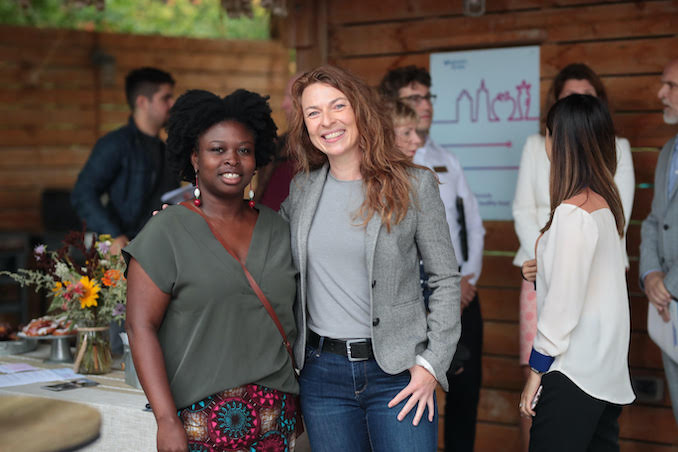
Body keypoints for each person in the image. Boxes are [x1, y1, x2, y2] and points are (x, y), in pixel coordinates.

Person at [280, 65, 461, 452]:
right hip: (322, 376)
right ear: (305, 126)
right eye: (313, 112)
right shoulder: (302, 189)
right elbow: (256, 236)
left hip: (397, 373)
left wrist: (432, 364)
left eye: (337, 106)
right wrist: (191, 218)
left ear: (359, 109)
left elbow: (446, 278)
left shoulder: (414, 184)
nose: (327, 121)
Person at [124, 89, 300, 452]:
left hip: (276, 420)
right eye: (217, 150)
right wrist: (166, 420)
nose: (232, 160)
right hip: (200, 424)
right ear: (194, 157)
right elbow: (139, 327)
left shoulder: (280, 229)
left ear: (257, 158)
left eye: (244, 150)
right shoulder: (166, 231)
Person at [512, 62, 635, 450]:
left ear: (557, 141)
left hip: (572, 373)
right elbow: (592, 283)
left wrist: (536, 371)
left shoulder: (571, 212)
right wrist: (542, 270)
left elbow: (563, 307)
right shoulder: (602, 204)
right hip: (604, 373)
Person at [379, 65, 485, 452]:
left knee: (465, 388)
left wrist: (464, 282)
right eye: (414, 98)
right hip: (409, 301)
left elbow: (472, 225)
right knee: (412, 395)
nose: (424, 106)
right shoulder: (379, 171)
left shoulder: (446, 160)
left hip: (461, 293)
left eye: (428, 97)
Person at [72, 67, 178, 254]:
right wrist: (113, 235)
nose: (172, 103)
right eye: (165, 98)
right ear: (143, 102)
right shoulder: (115, 144)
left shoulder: (167, 149)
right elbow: (83, 193)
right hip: (126, 251)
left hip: (162, 249)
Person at [640, 58, 678, 425]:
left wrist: (667, 285)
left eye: (670, 86)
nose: (660, 93)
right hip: (668, 308)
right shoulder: (669, 151)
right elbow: (654, 221)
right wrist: (651, 273)